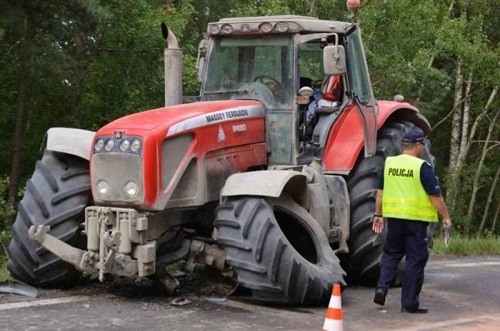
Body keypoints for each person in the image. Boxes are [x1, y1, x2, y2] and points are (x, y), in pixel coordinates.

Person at [372, 128, 452, 314]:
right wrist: (446, 217)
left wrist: (378, 215)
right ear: (417, 145)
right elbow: (436, 196)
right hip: (416, 222)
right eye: (422, 145)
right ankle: (409, 304)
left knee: (391, 254)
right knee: (415, 260)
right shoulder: (421, 167)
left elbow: (380, 192)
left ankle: (382, 288)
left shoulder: (390, 163)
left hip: (394, 219)